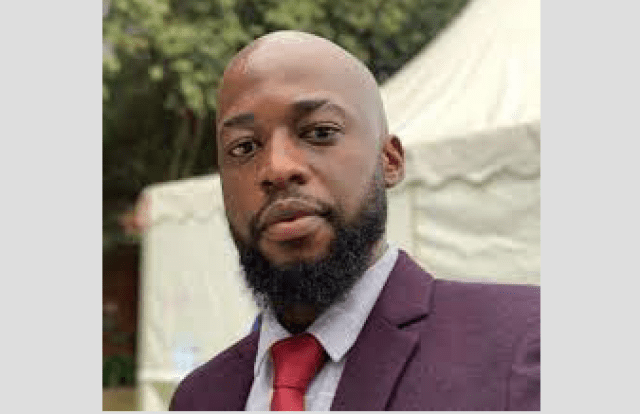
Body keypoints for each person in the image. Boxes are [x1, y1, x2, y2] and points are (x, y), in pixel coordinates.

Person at [169, 31, 540, 411]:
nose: (277, 168)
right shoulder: (198, 398)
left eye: (319, 133)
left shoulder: (525, 343)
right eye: (244, 147)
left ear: (389, 160)